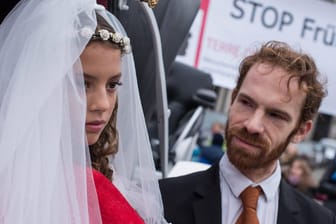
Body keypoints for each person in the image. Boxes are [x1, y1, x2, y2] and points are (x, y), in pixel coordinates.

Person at [0, 0, 166, 223]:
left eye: (112, 85)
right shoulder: (96, 194)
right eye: (82, 84)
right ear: (41, 84)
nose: (103, 104)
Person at [159, 41, 336, 223]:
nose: (252, 125)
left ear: (300, 131)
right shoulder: (161, 200)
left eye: (275, 115)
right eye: (246, 103)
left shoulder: (319, 220)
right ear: (233, 99)